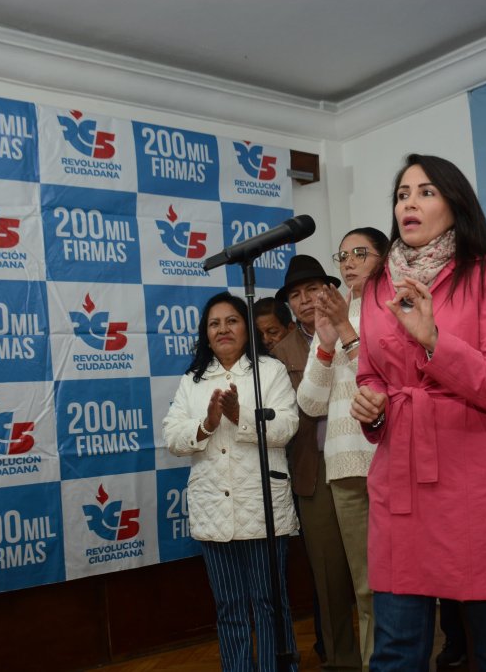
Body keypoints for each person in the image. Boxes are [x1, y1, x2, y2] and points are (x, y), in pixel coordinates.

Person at [350, 154, 486, 669]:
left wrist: (435, 342)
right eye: (401, 194)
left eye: (425, 192)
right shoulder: (376, 286)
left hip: (477, 483)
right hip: (402, 485)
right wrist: (370, 407)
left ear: (455, 203)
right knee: (395, 648)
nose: (409, 203)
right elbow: (372, 375)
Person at [161, 291, 301, 672]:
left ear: (247, 328)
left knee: (270, 602)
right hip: (213, 513)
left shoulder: (269, 371)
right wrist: (206, 424)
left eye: (232, 321)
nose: (223, 329)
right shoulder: (192, 381)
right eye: (214, 323)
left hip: (263, 510)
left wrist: (242, 415)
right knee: (230, 606)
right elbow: (172, 437)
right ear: (206, 335)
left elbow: (287, 427)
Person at [294, 228, 390, 671]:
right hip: (345, 467)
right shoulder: (332, 315)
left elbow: (388, 378)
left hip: (390, 461)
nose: (348, 262)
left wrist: (347, 332)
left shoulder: (398, 306)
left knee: (408, 583)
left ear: (383, 258)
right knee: (365, 587)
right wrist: (327, 342)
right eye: (343, 255)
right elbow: (310, 403)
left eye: (360, 253)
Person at [269, 254, 361, 672]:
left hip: (363, 457)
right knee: (328, 577)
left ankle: (384, 658)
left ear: (330, 290)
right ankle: (342, 661)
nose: (305, 299)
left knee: (374, 570)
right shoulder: (277, 354)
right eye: (295, 294)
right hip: (313, 466)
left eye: (312, 289)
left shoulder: (356, 326)